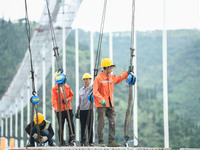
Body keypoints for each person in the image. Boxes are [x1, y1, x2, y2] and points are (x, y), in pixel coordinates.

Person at [93, 58, 129, 147]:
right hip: (101, 105)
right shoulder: (98, 78)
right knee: (101, 123)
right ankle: (100, 142)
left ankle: (111, 141)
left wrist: (127, 72)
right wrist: (101, 100)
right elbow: (95, 91)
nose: (112, 68)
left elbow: (119, 78)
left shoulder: (111, 77)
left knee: (113, 121)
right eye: (111, 67)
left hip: (110, 104)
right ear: (107, 67)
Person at [51, 73, 75, 146]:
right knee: (61, 125)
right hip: (60, 110)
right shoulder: (55, 89)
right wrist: (55, 107)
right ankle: (61, 141)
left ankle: (72, 139)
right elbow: (54, 99)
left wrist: (67, 99)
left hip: (68, 108)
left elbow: (71, 95)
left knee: (71, 124)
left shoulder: (67, 87)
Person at [75, 73, 94, 146]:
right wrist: (77, 110)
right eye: (84, 79)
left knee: (90, 126)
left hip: (89, 109)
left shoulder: (92, 88)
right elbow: (79, 101)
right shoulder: (81, 90)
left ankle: (90, 142)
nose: (85, 81)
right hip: (82, 110)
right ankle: (82, 141)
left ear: (90, 80)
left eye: (87, 79)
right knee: (82, 126)